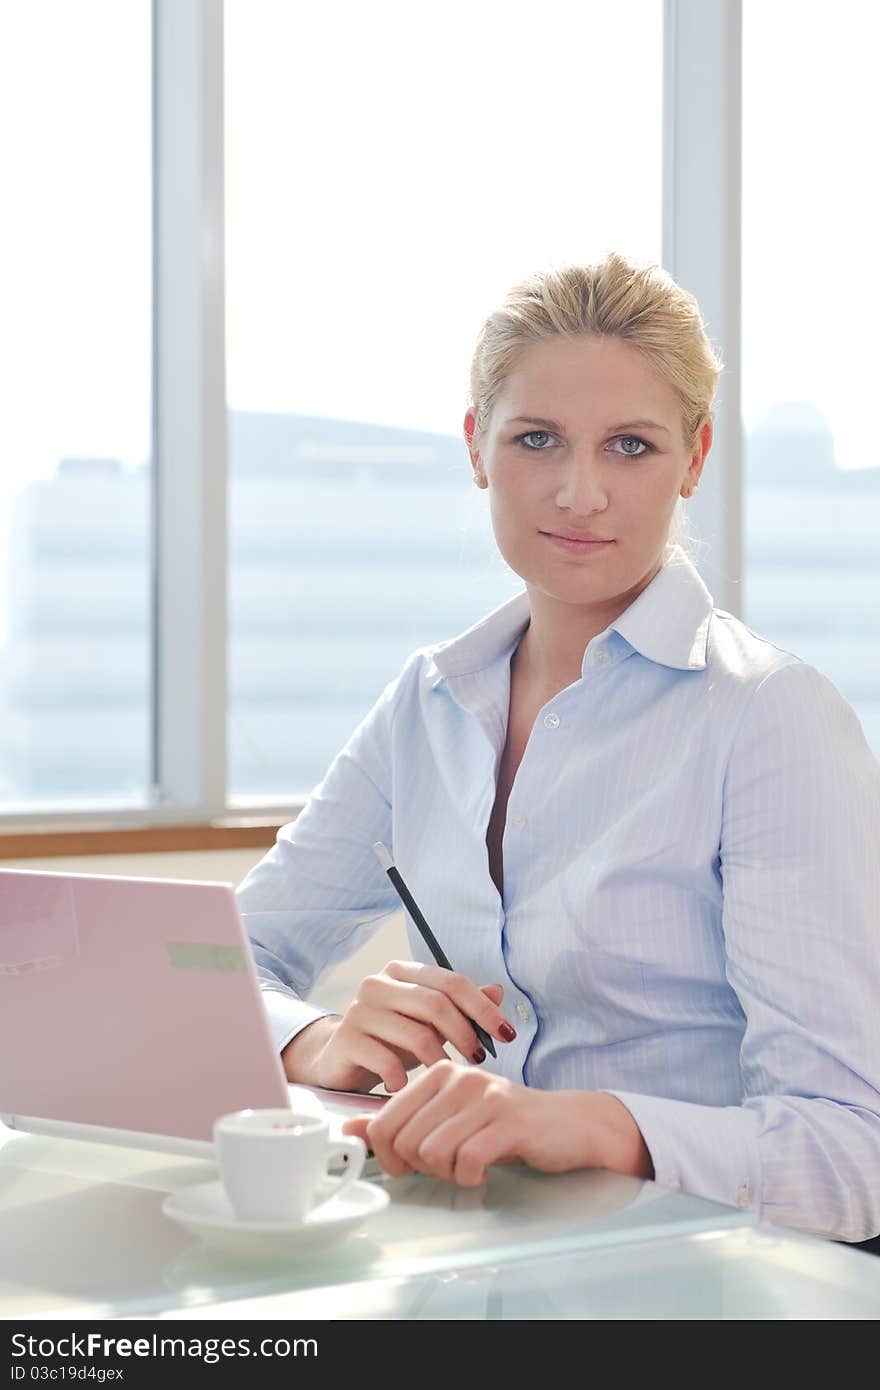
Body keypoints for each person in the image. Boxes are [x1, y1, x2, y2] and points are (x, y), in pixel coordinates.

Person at [235, 251, 880, 1244]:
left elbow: (851, 1153)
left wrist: (590, 1124)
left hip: (694, 1293)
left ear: (695, 458)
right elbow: (215, 963)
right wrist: (315, 1039)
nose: (580, 494)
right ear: (476, 446)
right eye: (537, 439)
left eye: (630, 446)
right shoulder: (427, 704)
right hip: (465, 1260)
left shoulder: (769, 718)